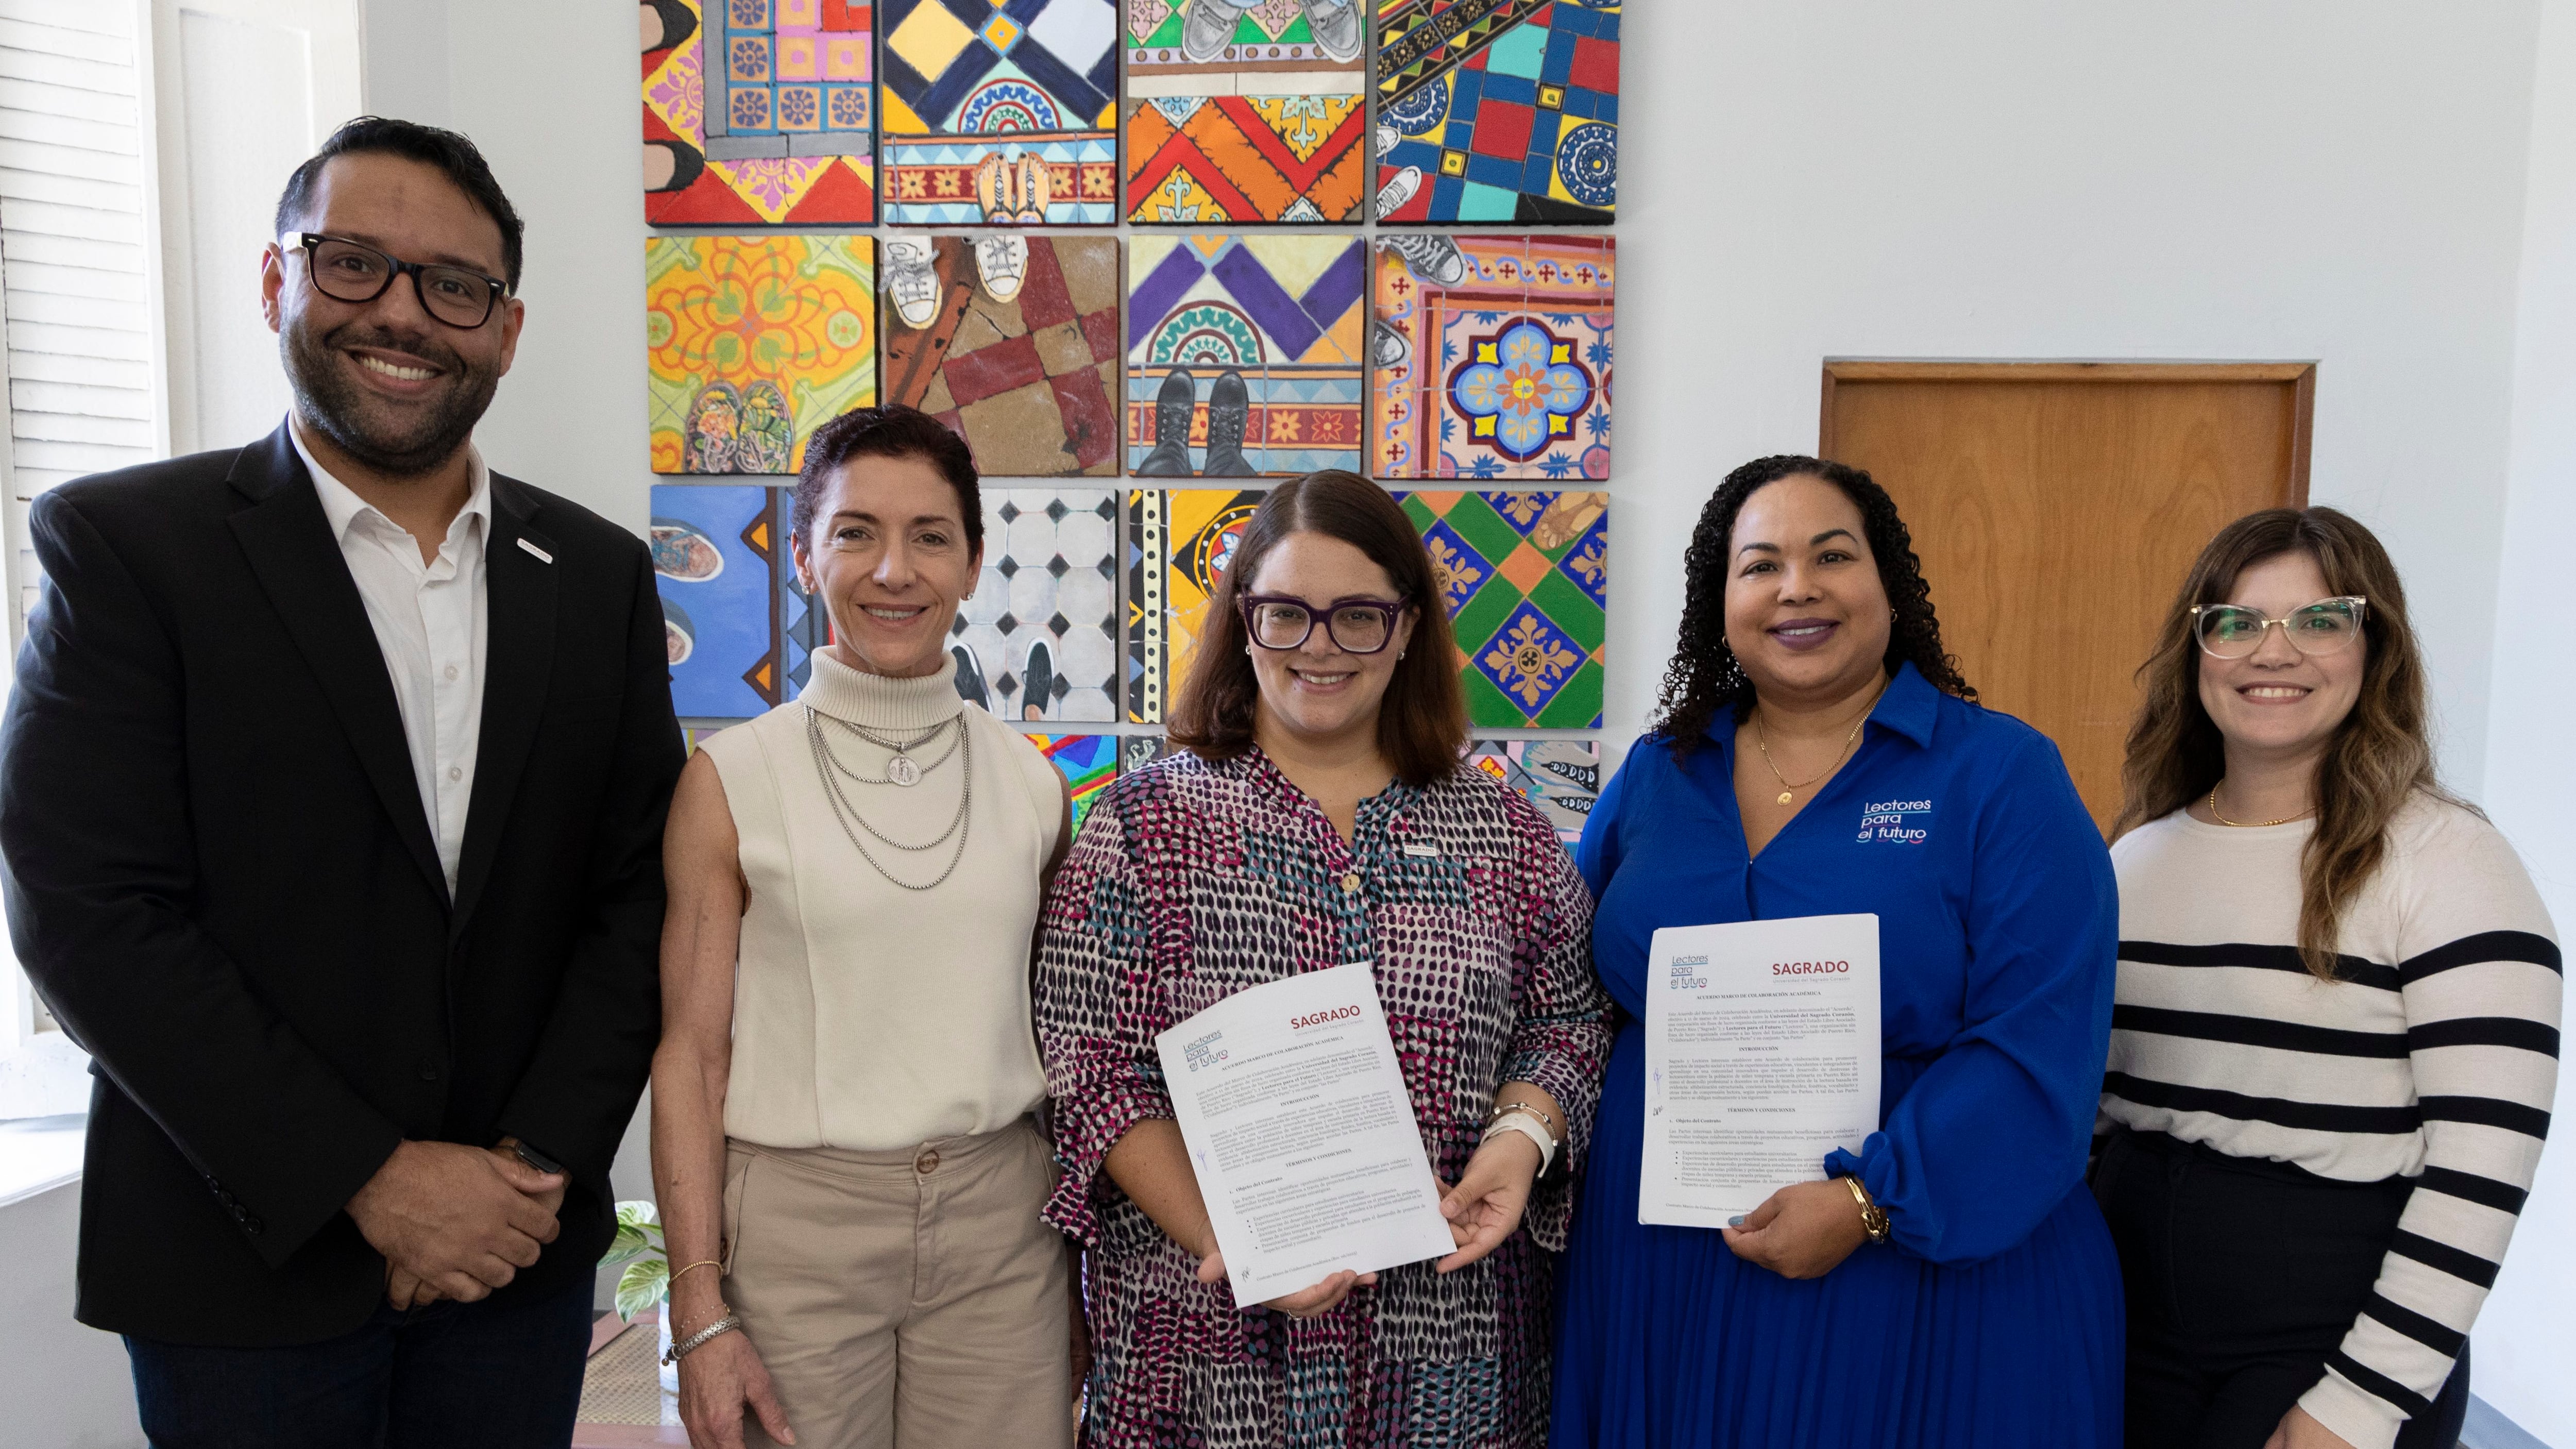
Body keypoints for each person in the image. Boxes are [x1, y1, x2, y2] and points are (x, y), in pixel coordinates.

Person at [0, 117, 681, 1446]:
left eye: (455, 285)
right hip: (241, 1260)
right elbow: (91, 911)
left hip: (513, 1264)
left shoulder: (595, 576)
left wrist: (527, 1173)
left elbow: (636, 894)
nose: (405, 315)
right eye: (356, 263)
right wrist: (370, 1178)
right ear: (277, 283)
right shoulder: (127, 547)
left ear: (506, 326)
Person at [1551, 455, 2125, 1448]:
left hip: (1917, 1264)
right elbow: (1563, 980)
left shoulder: (2000, 773)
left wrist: (1869, 1203)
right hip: (1663, 1260)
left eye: (1832, 556)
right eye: (1760, 564)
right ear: (1719, 601)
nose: (1797, 588)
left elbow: (2043, 1038)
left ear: (1888, 588)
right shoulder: (1657, 776)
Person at [1035, 471, 1612, 1447]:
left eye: (1357, 616)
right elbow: (1088, 1068)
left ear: (1410, 626)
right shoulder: (1142, 827)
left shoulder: (1504, 828)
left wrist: (1520, 1147)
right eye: (1285, 614)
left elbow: (1570, 1022)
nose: (1319, 647)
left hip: (1452, 1346)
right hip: (1206, 1348)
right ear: (1242, 620)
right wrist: (1230, 1238)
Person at [651, 405, 1082, 1449]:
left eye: (931, 535)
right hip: (798, 1229)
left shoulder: (1033, 784)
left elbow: (1064, 1041)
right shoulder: (730, 781)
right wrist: (701, 1309)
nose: (895, 569)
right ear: (803, 554)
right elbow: (692, 1057)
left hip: (998, 1229)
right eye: (855, 532)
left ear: (974, 563)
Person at [2096, 507, 2559, 1449]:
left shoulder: (2449, 861)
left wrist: (2360, 1403)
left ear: (2374, 645)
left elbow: (2483, 1169)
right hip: (2125, 1315)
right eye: (2236, 623)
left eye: (2321, 621)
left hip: (2329, 1333)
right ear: (2198, 652)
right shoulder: (2131, 862)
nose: (2276, 652)